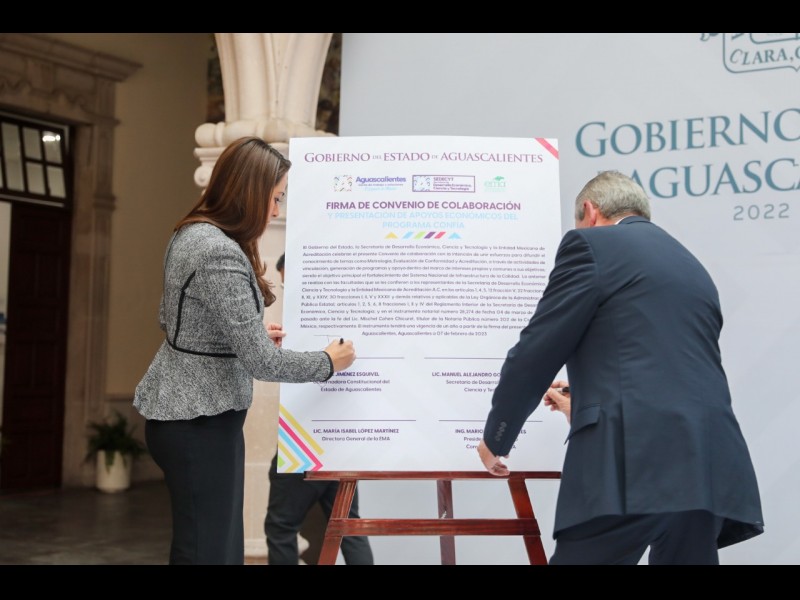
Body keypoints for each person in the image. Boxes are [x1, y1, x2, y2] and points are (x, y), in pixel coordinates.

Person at [477, 170, 764, 565]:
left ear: (590, 211)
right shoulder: (691, 264)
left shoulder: (590, 245)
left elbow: (534, 353)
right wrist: (583, 401)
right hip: (707, 468)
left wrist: (496, 438)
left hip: (630, 467)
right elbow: (662, 364)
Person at [133, 136, 356, 565]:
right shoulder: (218, 251)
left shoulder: (190, 233)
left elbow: (174, 320)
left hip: (189, 415)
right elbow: (262, 363)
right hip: (198, 420)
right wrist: (329, 361)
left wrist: (243, 335)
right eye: (275, 198)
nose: (276, 211)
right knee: (207, 551)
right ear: (249, 193)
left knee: (212, 547)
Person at [264, 253, 373, 565]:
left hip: (304, 440)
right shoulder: (348, 319)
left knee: (281, 527)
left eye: (288, 282)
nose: (287, 291)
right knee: (349, 527)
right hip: (339, 440)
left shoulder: (309, 322)